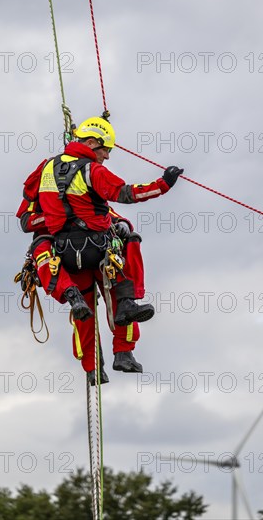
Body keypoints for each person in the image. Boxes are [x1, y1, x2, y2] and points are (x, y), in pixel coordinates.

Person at [17, 116, 183, 385]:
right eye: (106, 149)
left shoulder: (45, 168)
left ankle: (93, 368)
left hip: (65, 254)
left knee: (83, 313)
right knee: (123, 275)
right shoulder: (93, 171)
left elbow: (25, 217)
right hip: (97, 248)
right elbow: (127, 193)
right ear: (92, 142)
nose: (107, 156)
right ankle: (125, 348)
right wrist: (164, 183)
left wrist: (57, 217)